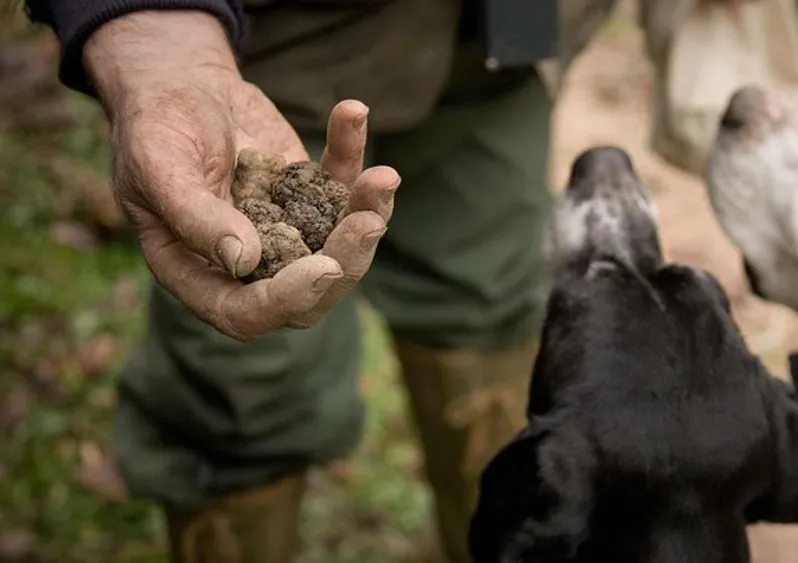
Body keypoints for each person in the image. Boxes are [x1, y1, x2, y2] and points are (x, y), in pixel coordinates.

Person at [22, 1, 751, 562]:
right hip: (265, 45)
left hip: (503, 37)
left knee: (490, 306)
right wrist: (150, 29)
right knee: (241, 387)